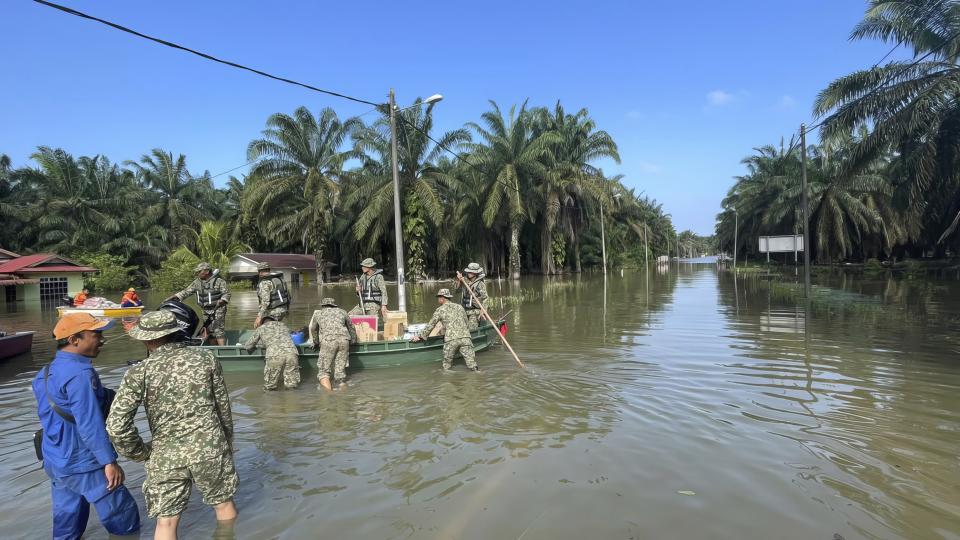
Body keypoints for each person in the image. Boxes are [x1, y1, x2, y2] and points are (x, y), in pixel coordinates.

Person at [106, 310, 238, 540]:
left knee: (166, 522)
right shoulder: (206, 359)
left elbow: (116, 425)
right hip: (209, 448)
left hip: (165, 455)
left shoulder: (139, 372)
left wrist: (140, 453)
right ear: (175, 333)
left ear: (146, 339)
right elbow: (223, 408)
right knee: (223, 505)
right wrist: (225, 442)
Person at [33, 313, 141, 539]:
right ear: (74, 340)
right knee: (125, 521)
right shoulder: (81, 375)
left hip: (55, 459)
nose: (102, 340)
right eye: (96, 334)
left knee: (66, 525)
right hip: (85, 461)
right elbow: (89, 423)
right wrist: (109, 462)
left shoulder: (43, 373)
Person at [410, 289, 480, 372]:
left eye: (438, 297)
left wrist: (420, 336)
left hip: (451, 340)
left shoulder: (440, 310)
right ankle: (477, 374)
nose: (437, 299)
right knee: (472, 364)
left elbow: (431, 325)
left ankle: (448, 381)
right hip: (465, 338)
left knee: (447, 366)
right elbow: (466, 323)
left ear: (442, 298)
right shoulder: (459, 307)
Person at [166, 262, 230, 346]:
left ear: (206, 271)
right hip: (205, 309)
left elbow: (227, 294)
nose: (197, 273)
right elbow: (186, 292)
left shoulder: (219, 281)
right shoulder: (197, 282)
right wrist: (175, 296)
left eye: (199, 271)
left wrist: (223, 300)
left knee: (218, 330)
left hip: (218, 308)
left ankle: (223, 350)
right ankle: (214, 350)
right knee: (209, 330)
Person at [308, 297, 357, 390]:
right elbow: (351, 327)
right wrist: (353, 340)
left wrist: (316, 342)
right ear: (334, 305)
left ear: (323, 305)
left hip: (328, 341)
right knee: (340, 375)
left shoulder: (318, 314)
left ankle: (329, 397)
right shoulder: (343, 312)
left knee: (323, 372)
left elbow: (313, 329)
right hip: (344, 341)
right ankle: (343, 396)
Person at [242, 316, 300, 390]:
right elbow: (292, 336)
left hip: (274, 355)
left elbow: (248, 346)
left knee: (270, 387)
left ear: (262, 323)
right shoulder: (283, 326)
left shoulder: (261, 328)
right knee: (292, 386)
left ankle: (270, 400)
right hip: (291, 353)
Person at [253, 262, 290, 328]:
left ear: (259, 272)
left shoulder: (265, 283)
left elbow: (265, 302)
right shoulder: (280, 279)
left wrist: (259, 317)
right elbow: (289, 296)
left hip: (273, 312)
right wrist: (287, 309)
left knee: (259, 326)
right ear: (269, 270)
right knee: (274, 328)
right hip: (284, 310)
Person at [455, 262, 488, 329]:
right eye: (468, 271)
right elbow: (457, 291)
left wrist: (482, 311)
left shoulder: (480, 284)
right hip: (464, 310)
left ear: (475, 273)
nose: (469, 273)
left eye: (471, 272)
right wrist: (459, 280)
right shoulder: (464, 280)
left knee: (471, 329)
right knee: (459, 328)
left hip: (475, 311)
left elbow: (485, 298)